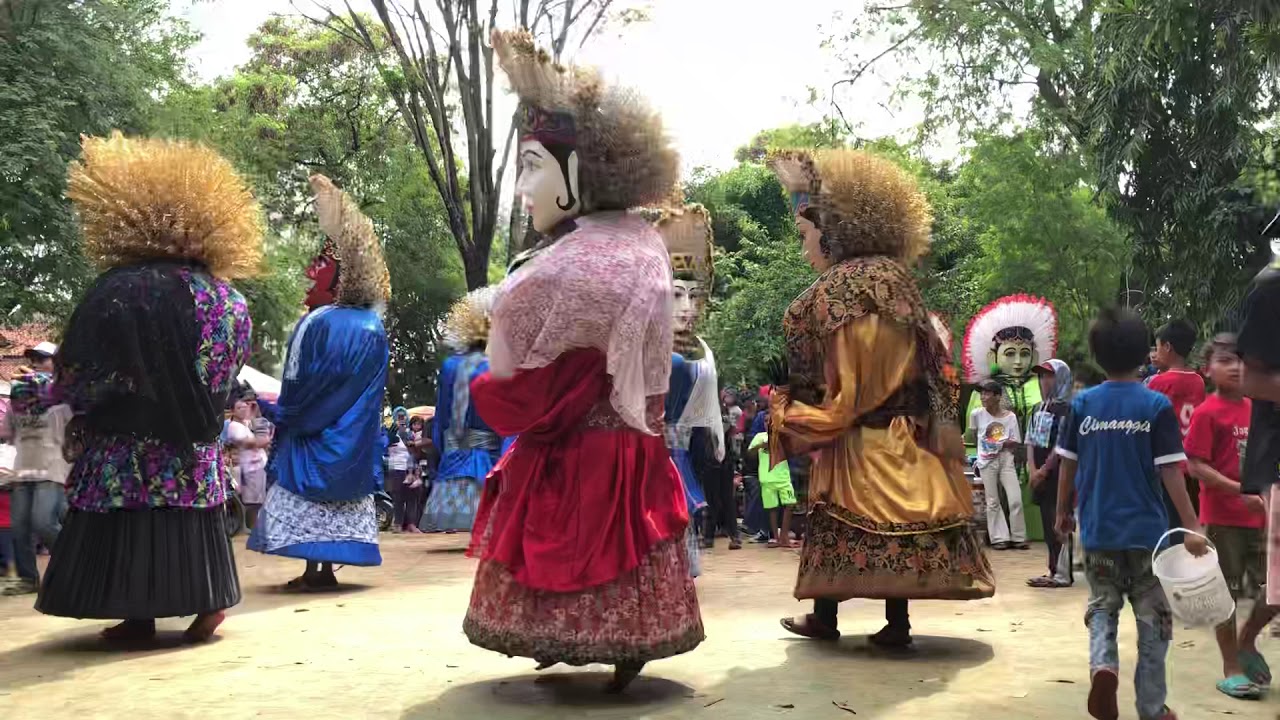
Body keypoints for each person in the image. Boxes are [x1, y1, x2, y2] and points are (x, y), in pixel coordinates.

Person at [462, 30, 702, 693]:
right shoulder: (646, 246)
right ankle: (619, 642)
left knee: (562, 540)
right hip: (637, 445)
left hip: (584, 450)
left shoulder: (561, 266)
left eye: (532, 167)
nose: (522, 190)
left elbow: (507, 372)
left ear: (577, 174)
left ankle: (564, 638)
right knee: (622, 548)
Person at [30, 133, 258, 641]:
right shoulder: (231, 300)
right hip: (197, 443)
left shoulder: (118, 288)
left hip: (128, 442)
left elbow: (81, 369)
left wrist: (81, 407)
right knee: (191, 520)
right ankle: (208, 608)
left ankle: (139, 617)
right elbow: (227, 374)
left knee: (132, 523)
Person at [769, 148, 994, 647]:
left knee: (834, 522)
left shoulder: (815, 301)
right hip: (906, 435)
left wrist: (790, 415)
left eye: (806, 236)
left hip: (854, 436)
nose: (805, 249)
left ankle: (824, 618)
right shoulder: (902, 285)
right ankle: (897, 625)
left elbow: (811, 387)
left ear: (832, 232)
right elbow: (937, 369)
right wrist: (942, 432)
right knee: (903, 522)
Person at [1054, 307, 1207, 720]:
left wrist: (1062, 513)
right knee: (1154, 623)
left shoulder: (1083, 403)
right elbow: (1172, 471)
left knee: (1103, 607)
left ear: (1096, 354)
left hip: (1098, 532)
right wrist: (1192, 526)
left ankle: (1103, 665)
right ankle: (1152, 708)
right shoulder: (1155, 405)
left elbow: (1068, 464)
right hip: (1148, 537)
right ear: (1145, 353)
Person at [247, 175, 390, 589]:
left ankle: (314, 568)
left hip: (314, 438)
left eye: (320, 264)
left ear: (339, 274)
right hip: (354, 443)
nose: (311, 271)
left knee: (308, 499)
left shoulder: (318, 323)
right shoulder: (373, 326)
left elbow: (302, 387)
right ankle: (325, 569)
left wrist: (281, 412)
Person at [1185, 334, 1276, 699]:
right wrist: (1241, 491)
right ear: (1208, 370)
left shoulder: (1260, 408)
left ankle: (1246, 640)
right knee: (1227, 596)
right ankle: (1231, 667)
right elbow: (1195, 466)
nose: (1236, 367)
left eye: (1241, 360)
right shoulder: (1208, 412)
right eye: (1225, 360)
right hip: (1224, 518)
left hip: (1265, 516)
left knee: (1274, 591)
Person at [648, 205, 725, 569]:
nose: (688, 307)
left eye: (694, 297)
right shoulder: (661, 353)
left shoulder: (698, 356)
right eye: (677, 294)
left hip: (672, 458)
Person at [424, 288, 502, 533]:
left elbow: (442, 415)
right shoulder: (495, 366)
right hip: (486, 449)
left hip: (454, 448)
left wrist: (442, 445)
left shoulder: (450, 366)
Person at [1, 343, 71, 597]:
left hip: (51, 468)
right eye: (34, 360)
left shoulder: (64, 396)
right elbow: (7, 433)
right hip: (23, 469)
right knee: (19, 527)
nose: (36, 364)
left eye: (43, 359)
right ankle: (29, 579)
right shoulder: (18, 397)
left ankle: (74, 567)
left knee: (44, 522)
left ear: (56, 364)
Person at [1026, 359, 1074, 588]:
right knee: (1046, 520)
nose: (1045, 381)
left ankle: (1063, 573)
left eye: (1049, 376)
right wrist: (1032, 469)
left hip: (1058, 473)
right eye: (1042, 376)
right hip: (1040, 474)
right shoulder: (1038, 408)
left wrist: (1045, 469)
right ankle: (1053, 569)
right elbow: (1030, 440)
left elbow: (1063, 443)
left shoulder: (1068, 409)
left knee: (1060, 518)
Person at [969, 379, 1026, 550]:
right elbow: (973, 437)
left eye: (987, 393)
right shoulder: (976, 414)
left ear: (997, 396)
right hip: (987, 461)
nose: (983, 397)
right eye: (982, 393)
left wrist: (1000, 443)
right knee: (992, 500)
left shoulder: (1010, 417)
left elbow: (1015, 442)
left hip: (1005, 459)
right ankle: (999, 538)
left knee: (1015, 498)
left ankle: (1018, 537)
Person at [224, 391, 271, 530]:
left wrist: (255, 411)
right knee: (253, 503)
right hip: (250, 469)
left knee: (259, 501)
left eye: (245, 407)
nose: (244, 410)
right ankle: (251, 529)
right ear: (232, 411)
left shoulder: (246, 423)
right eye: (239, 408)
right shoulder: (233, 427)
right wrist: (264, 438)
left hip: (258, 466)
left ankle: (253, 528)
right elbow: (257, 442)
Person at [747, 421, 797, 548]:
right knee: (772, 508)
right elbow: (749, 454)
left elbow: (793, 451)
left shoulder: (784, 436)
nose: (768, 423)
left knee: (790, 504)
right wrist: (760, 446)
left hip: (783, 477)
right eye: (765, 421)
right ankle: (775, 537)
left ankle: (784, 536)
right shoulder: (759, 436)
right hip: (766, 478)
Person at [386, 407, 419, 533]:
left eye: (403, 416)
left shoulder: (411, 434)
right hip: (396, 468)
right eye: (399, 416)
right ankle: (398, 524)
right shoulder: (391, 433)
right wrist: (389, 438)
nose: (401, 419)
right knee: (398, 497)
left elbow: (416, 451)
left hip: (410, 469)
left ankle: (411, 524)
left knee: (412, 497)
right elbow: (384, 445)